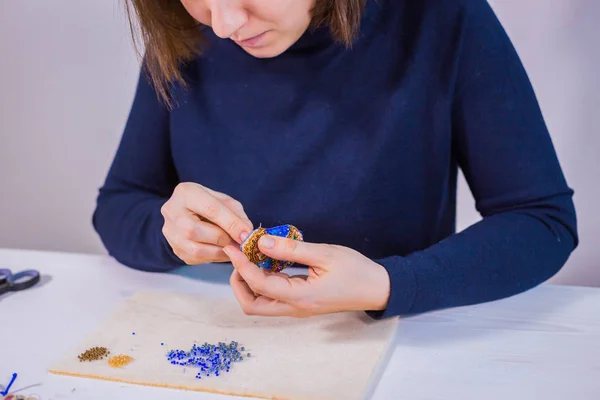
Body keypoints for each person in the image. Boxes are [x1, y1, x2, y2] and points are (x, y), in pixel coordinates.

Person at [92, 0, 578, 319]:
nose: (224, 23)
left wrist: (390, 284)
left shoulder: (440, 16)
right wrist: (171, 231)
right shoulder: (187, 33)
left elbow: (541, 222)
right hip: (225, 333)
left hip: (403, 347)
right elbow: (118, 206)